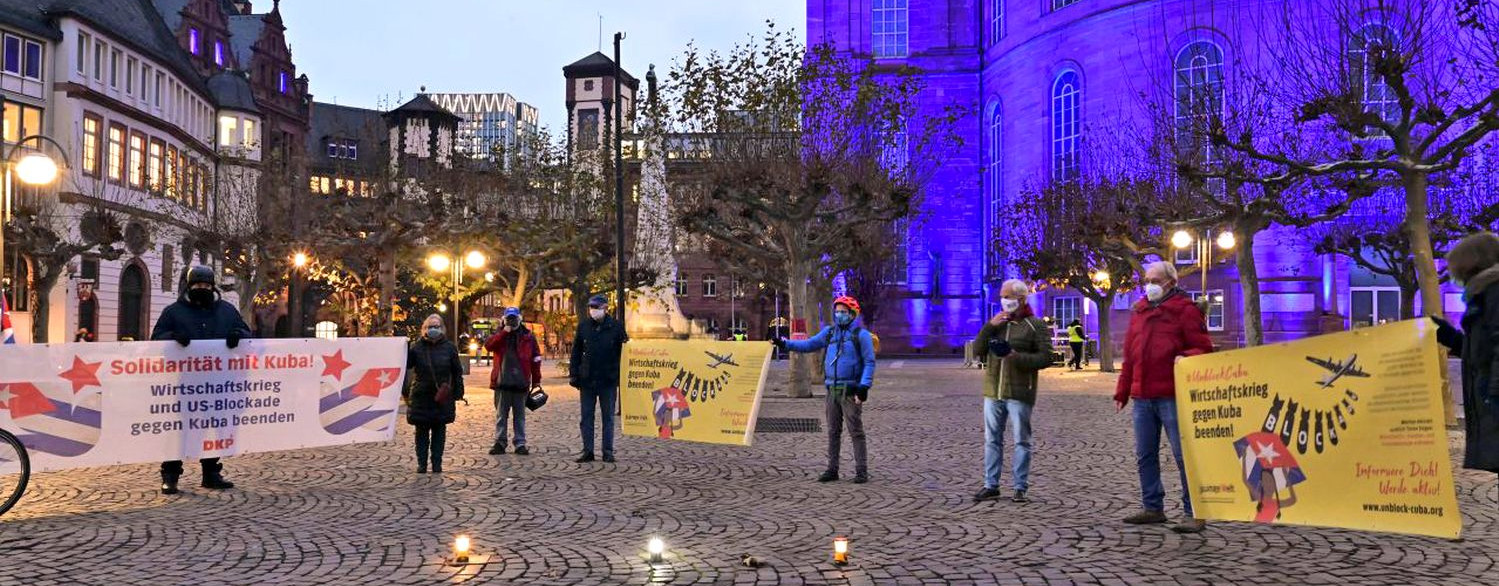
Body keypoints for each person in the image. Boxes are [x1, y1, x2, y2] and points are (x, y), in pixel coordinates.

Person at [1114, 261, 1215, 533]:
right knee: (1145, 454)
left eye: (1155, 280)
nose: (1150, 285)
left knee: (1184, 456)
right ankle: (1152, 507)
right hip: (1142, 397)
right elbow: (1131, 356)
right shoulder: (1139, 312)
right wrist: (1123, 390)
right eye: (1147, 280)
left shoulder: (1185, 311)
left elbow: (1204, 348)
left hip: (1172, 395)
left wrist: (1186, 357)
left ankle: (1193, 511)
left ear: (1171, 282)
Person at [150, 265, 252, 495]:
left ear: (212, 287)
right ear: (189, 286)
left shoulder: (226, 311)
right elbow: (156, 338)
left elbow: (246, 333)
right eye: (197, 285)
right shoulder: (173, 312)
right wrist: (173, 338)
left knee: (214, 429)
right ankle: (170, 475)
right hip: (186, 384)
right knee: (181, 430)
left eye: (206, 286)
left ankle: (211, 473)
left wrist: (238, 336)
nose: (202, 289)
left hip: (218, 384)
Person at [774, 296, 876, 484]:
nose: (839, 315)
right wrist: (785, 344)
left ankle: (861, 471)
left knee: (856, 432)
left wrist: (864, 386)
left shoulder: (861, 336)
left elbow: (869, 362)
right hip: (832, 390)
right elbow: (809, 344)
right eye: (837, 312)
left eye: (843, 312)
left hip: (851, 390)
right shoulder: (829, 333)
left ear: (852, 314)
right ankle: (832, 469)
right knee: (832, 431)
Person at [971, 280, 1053, 503]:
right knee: (992, 440)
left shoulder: (1035, 325)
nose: (1004, 301)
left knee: (1021, 441)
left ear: (1021, 299)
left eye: (1008, 296)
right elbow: (977, 350)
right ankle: (991, 484)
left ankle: (1019, 487)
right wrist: (989, 326)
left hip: (1019, 392)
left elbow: (1046, 357)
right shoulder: (997, 323)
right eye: (1002, 297)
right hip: (993, 390)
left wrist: (1016, 357)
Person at [1433, 232, 1499, 477]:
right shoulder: (1484, 294)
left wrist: (1494, 396)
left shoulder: (1494, 292)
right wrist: (1449, 336)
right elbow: (1479, 352)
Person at [570, 295, 628, 463]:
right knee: (586, 417)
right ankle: (587, 451)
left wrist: (620, 374)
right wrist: (574, 374)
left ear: (605, 308)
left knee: (608, 418)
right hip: (587, 380)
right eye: (591, 307)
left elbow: (625, 351)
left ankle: (607, 451)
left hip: (608, 379)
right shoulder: (584, 326)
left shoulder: (616, 327)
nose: (593, 310)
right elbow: (576, 352)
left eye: (596, 307)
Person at [405, 314, 464, 473]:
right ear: (424, 329)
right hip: (421, 396)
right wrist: (404, 347)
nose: (433, 329)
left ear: (442, 328)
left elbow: (457, 372)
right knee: (421, 433)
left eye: (436, 326)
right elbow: (407, 365)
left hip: (441, 397)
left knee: (439, 431)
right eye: (430, 326)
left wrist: (458, 392)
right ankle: (422, 463)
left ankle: (437, 463)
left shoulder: (450, 348)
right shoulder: (417, 347)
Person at [486, 307, 542, 456]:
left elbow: (536, 358)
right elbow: (489, 345)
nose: (512, 321)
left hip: (521, 383)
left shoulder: (528, 336)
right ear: (504, 319)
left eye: (514, 318)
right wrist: (504, 331)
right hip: (502, 382)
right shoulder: (500, 334)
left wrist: (537, 380)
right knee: (501, 415)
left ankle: (520, 443)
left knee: (520, 416)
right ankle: (500, 442)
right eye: (509, 318)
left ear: (520, 319)